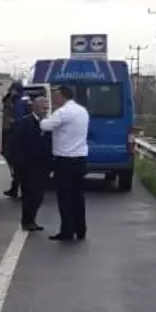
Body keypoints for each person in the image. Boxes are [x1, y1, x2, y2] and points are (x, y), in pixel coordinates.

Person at [37, 84, 89, 242]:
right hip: (80, 158)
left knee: (65, 197)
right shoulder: (82, 111)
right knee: (78, 196)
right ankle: (80, 229)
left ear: (63, 96)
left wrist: (42, 115)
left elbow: (45, 126)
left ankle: (67, 231)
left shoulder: (63, 112)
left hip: (65, 160)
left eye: (56, 96)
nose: (53, 99)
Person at [7, 96, 53, 231]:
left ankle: (31, 219)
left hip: (43, 165)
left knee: (38, 195)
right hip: (27, 165)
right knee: (30, 194)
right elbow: (15, 143)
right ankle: (27, 220)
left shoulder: (49, 123)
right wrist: (17, 163)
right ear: (34, 107)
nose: (45, 111)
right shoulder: (24, 122)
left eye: (46, 108)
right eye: (42, 108)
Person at [1, 81, 30, 198]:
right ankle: (16, 189)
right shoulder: (21, 98)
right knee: (19, 166)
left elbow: (18, 117)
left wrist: (12, 122)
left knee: (19, 165)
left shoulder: (19, 100)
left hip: (18, 135)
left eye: (12, 89)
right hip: (19, 135)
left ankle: (19, 190)